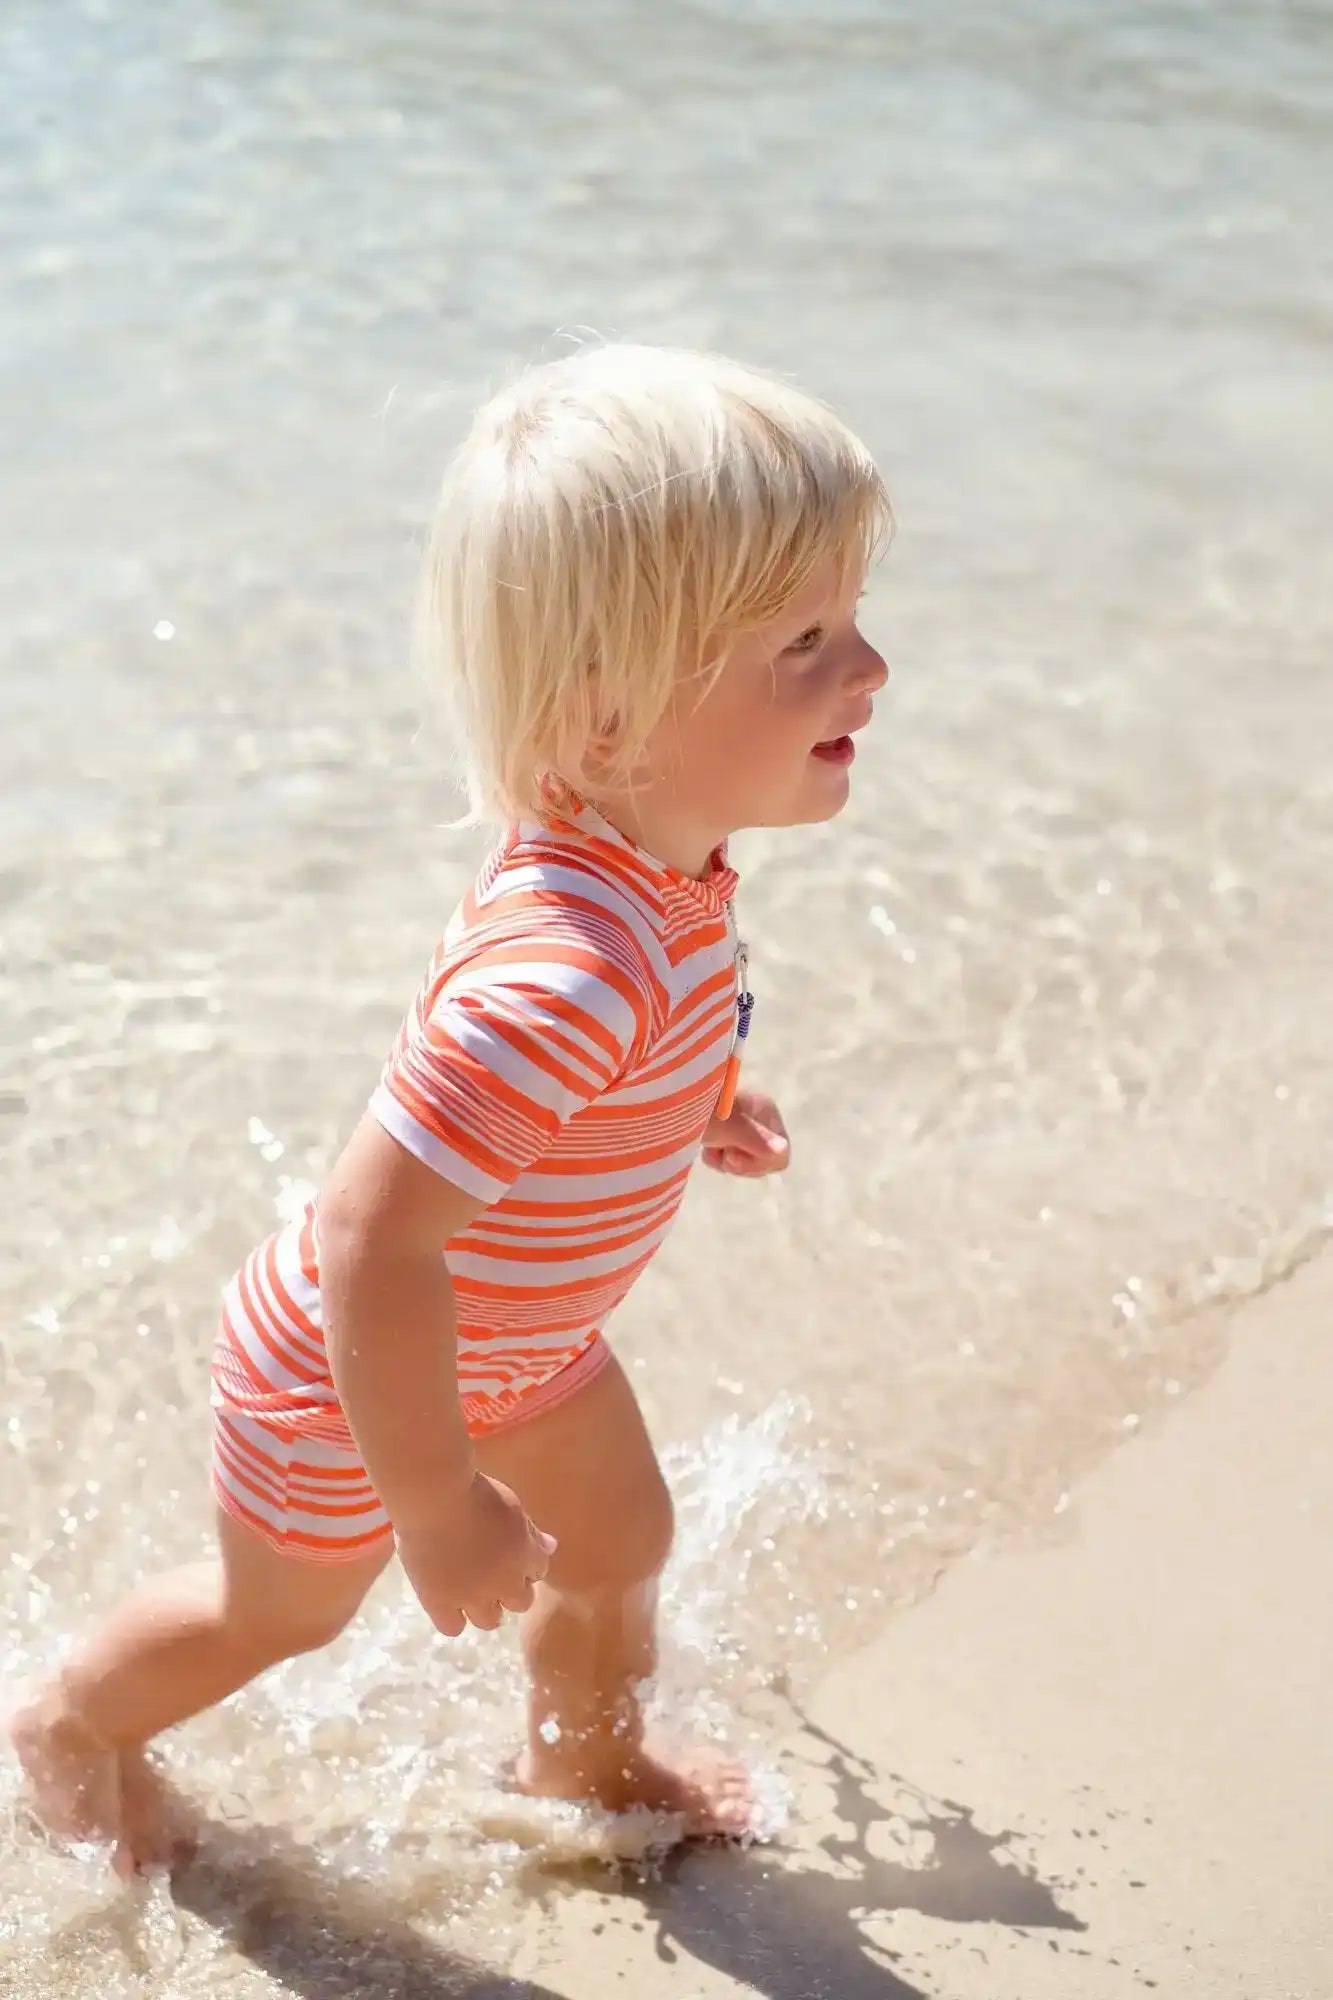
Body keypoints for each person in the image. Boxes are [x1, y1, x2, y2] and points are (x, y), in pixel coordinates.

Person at [12, 342, 890, 1876]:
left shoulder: (656, 872)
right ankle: (70, 1726)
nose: (868, 670)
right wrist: (430, 1498)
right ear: (609, 717)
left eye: (853, 620)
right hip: (360, 1373)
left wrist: (696, 1100)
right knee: (278, 1613)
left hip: (519, 1337)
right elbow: (368, 1237)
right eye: (801, 641)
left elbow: (612, 1060)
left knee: (622, 1539)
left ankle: (581, 1762)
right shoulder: (563, 971)